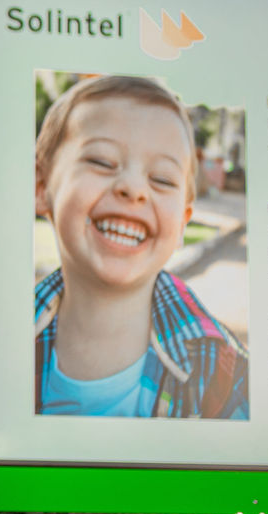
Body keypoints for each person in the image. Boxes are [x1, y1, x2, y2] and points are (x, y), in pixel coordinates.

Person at [34, 73, 248, 419]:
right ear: (41, 186)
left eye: (162, 179)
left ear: (182, 223)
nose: (134, 189)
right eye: (102, 161)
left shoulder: (225, 375)